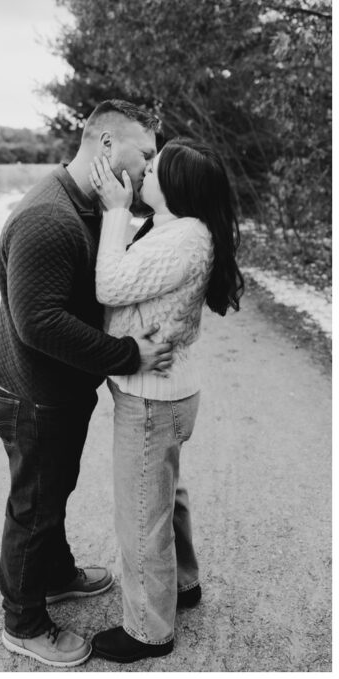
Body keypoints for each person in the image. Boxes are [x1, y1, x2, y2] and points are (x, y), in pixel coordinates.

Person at [0, 99, 175, 668]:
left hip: (58, 394)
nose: (150, 165)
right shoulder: (49, 218)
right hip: (34, 398)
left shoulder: (86, 206)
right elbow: (39, 322)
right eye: (144, 154)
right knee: (35, 506)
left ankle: (55, 573)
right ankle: (23, 621)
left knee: (54, 491)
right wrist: (127, 354)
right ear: (106, 148)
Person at [87, 139, 243, 662]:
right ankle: (183, 584)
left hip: (152, 398)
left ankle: (149, 631)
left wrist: (113, 212)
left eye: (152, 169)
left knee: (141, 512)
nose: (143, 172)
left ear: (175, 186)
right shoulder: (179, 230)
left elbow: (110, 285)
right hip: (165, 391)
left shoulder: (183, 239)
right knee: (163, 496)